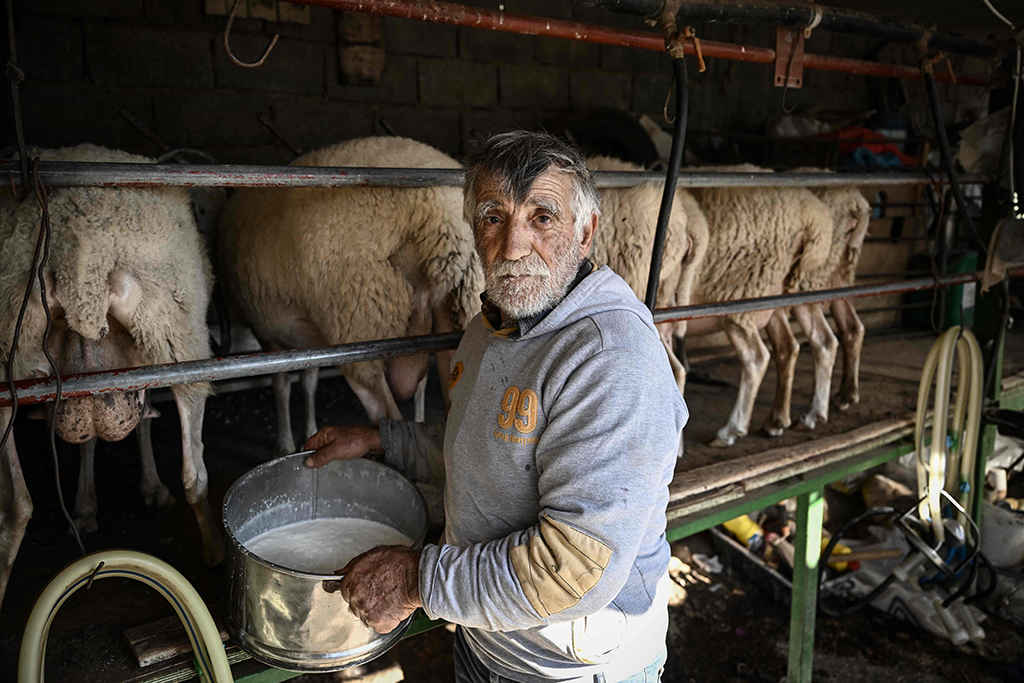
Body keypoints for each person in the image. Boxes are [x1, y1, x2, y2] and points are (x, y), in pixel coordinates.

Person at [304, 131, 688, 683]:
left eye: (542, 217)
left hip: (568, 670)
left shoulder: (609, 361)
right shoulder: (492, 328)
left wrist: (418, 582)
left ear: (586, 231)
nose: (512, 245)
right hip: (489, 641)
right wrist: (387, 441)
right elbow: (498, 450)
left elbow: (572, 567)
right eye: (492, 217)